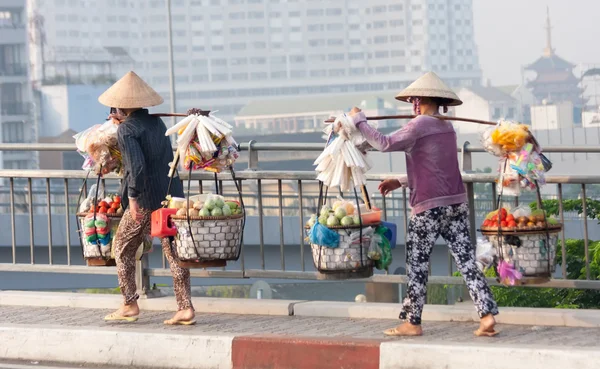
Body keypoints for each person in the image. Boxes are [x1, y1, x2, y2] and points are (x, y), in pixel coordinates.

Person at [349, 72, 499, 337]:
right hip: (455, 203)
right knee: (466, 261)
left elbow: (384, 143)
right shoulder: (447, 127)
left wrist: (360, 121)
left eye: (413, 100)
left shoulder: (418, 126)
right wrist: (401, 180)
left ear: (419, 100)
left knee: (417, 265)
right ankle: (486, 315)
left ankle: (413, 321)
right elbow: (437, 169)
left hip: (428, 207)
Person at [98, 71, 195, 325]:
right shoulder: (155, 123)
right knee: (174, 251)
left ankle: (129, 303)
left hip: (146, 199)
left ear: (120, 106)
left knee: (122, 247)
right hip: (171, 195)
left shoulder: (127, 130)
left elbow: (137, 167)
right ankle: (185, 307)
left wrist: (132, 199)